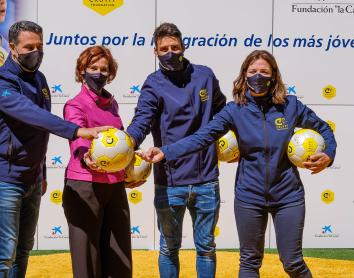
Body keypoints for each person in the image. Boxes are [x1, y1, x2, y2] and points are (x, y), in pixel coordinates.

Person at [142, 50, 337, 278]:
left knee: (293, 262)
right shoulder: (234, 110)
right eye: (253, 71)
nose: (258, 76)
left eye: (264, 72)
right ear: (244, 75)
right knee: (249, 263)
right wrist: (165, 152)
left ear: (274, 76)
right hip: (249, 196)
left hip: (288, 196)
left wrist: (329, 155)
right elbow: (201, 137)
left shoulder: (290, 105)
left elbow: (324, 129)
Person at [0, 21, 109, 278]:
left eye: (40, 46)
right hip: (6, 179)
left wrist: (43, 173)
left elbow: (39, 133)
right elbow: (34, 116)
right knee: (4, 254)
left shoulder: (40, 80)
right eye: (29, 47)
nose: (35, 52)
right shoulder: (3, 82)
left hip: (33, 180)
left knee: (24, 249)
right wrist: (77, 130)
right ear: (13, 48)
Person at [126, 22, 226, 278]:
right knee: (169, 248)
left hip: (206, 180)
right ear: (155, 52)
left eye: (174, 47)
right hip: (170, 182)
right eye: (163, 49)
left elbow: (222, 112)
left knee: (206, 248)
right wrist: (126, 145)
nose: (170, 52)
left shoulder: (204, 75)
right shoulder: (153, 83)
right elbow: (142, 121)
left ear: (183, 47)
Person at [63, 45, 134, 278]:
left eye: (104, 69)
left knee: (119, 257)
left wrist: (134, 166)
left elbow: (121, 141)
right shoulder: (74, 104)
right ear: (82, 70)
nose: (99, 73)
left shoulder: (112, 104)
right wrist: (86, 157)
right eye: (93, 67)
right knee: (87, 261)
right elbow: (78, 139)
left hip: (114, 185)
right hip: (84, 186)